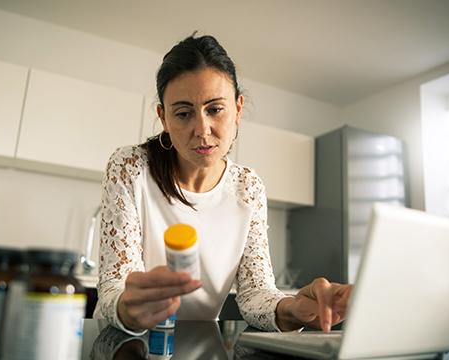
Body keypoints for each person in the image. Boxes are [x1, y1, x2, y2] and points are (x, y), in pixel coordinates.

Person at [93, 34, 352, 334]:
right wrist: (127, 306)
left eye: (215, 109)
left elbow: (257, 294)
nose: (202, 130)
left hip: (202, 346)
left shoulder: (248, 187)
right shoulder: (130, 168)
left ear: (238, 109)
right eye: (183, 113)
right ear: (163, 118)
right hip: (123, 341)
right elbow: (114, 284)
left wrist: (293, 307)